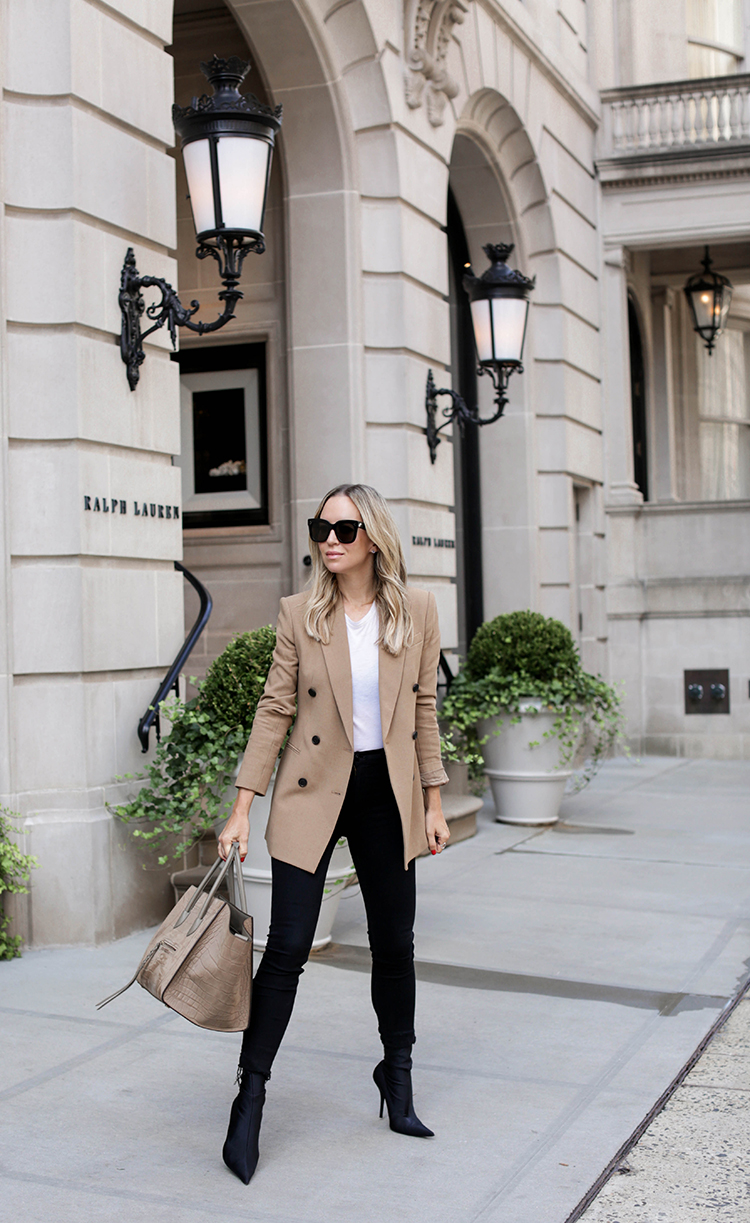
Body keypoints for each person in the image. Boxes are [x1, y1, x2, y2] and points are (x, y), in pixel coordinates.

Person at [217, 483, 451, 1184]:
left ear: (373, 536)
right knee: (287, 946)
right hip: (312, 790)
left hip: (389, 795)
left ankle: (398, 1075)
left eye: (343, 527)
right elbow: (274, 709)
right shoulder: (300, 613)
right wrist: (241, 805)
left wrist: (435, 800)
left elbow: (425, 708)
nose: (329, 538)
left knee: (394, 944)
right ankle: (249, 1097)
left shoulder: (418, 610)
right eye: (320, 526)